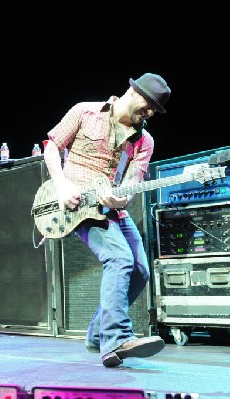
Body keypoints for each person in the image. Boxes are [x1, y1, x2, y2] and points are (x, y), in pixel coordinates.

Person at [41, 72, 171, 367]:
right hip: (76, 204)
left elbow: (132, 183)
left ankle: (98, 334)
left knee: (140, 270)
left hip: (111, 207)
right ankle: (118, 338)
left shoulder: (144, 141)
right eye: (149, 105)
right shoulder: (85, 111)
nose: (150, 113)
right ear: (134, 92)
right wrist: (61, 185)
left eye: (155, 110)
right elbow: (52, 147)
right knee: (119, 259)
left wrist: (121, 199)